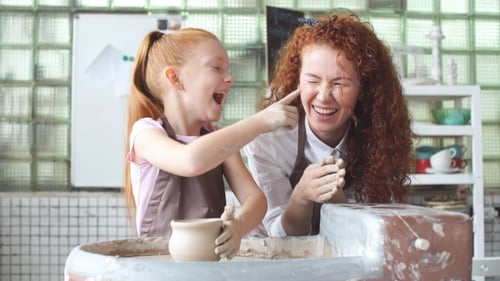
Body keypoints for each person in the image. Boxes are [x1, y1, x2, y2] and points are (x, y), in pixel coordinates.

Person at [123, 28, 300, 259]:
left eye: (228, 70)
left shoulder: (218, 140)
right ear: (175, 78)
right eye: (217, 68)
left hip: (209, 268)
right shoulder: (146, 133)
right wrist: (261, 121)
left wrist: (238, 226)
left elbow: (255, 199)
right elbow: (190, 160)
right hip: (158, 268)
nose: (229, 78)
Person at [244, 13, 413, 237]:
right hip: (275, 262)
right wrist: (301, 196)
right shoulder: (267, 141)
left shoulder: (380, 140)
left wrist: (337, 200)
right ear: (297, 81)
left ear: (363, 89)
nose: (323, 96)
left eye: (340, 83)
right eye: (312, 81)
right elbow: (277, 234)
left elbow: (376, 233)